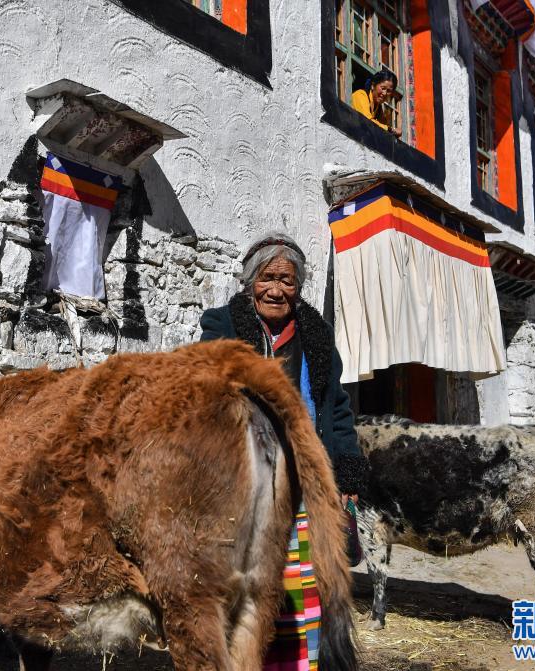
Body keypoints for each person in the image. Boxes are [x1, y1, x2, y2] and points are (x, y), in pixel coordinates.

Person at [200, 233, 368, 670]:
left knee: (301, 584)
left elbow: (337, 408)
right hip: (244, 481)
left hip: (303, 481)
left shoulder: (317, 336)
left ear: (299, 286)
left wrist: (347, 470)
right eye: (267, 279)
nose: (276, 290)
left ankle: (299, 663)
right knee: (248, 584)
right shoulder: (223, 326)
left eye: (287, 281)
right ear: (250, 282)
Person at [351, 70, 401, 137]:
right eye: (383, 88)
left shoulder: (378, 108)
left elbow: (383, 126)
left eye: (389, 91)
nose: (385, 93)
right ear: (373, 85)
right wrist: (391, 130)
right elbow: (367, 122)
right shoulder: (360, 95)